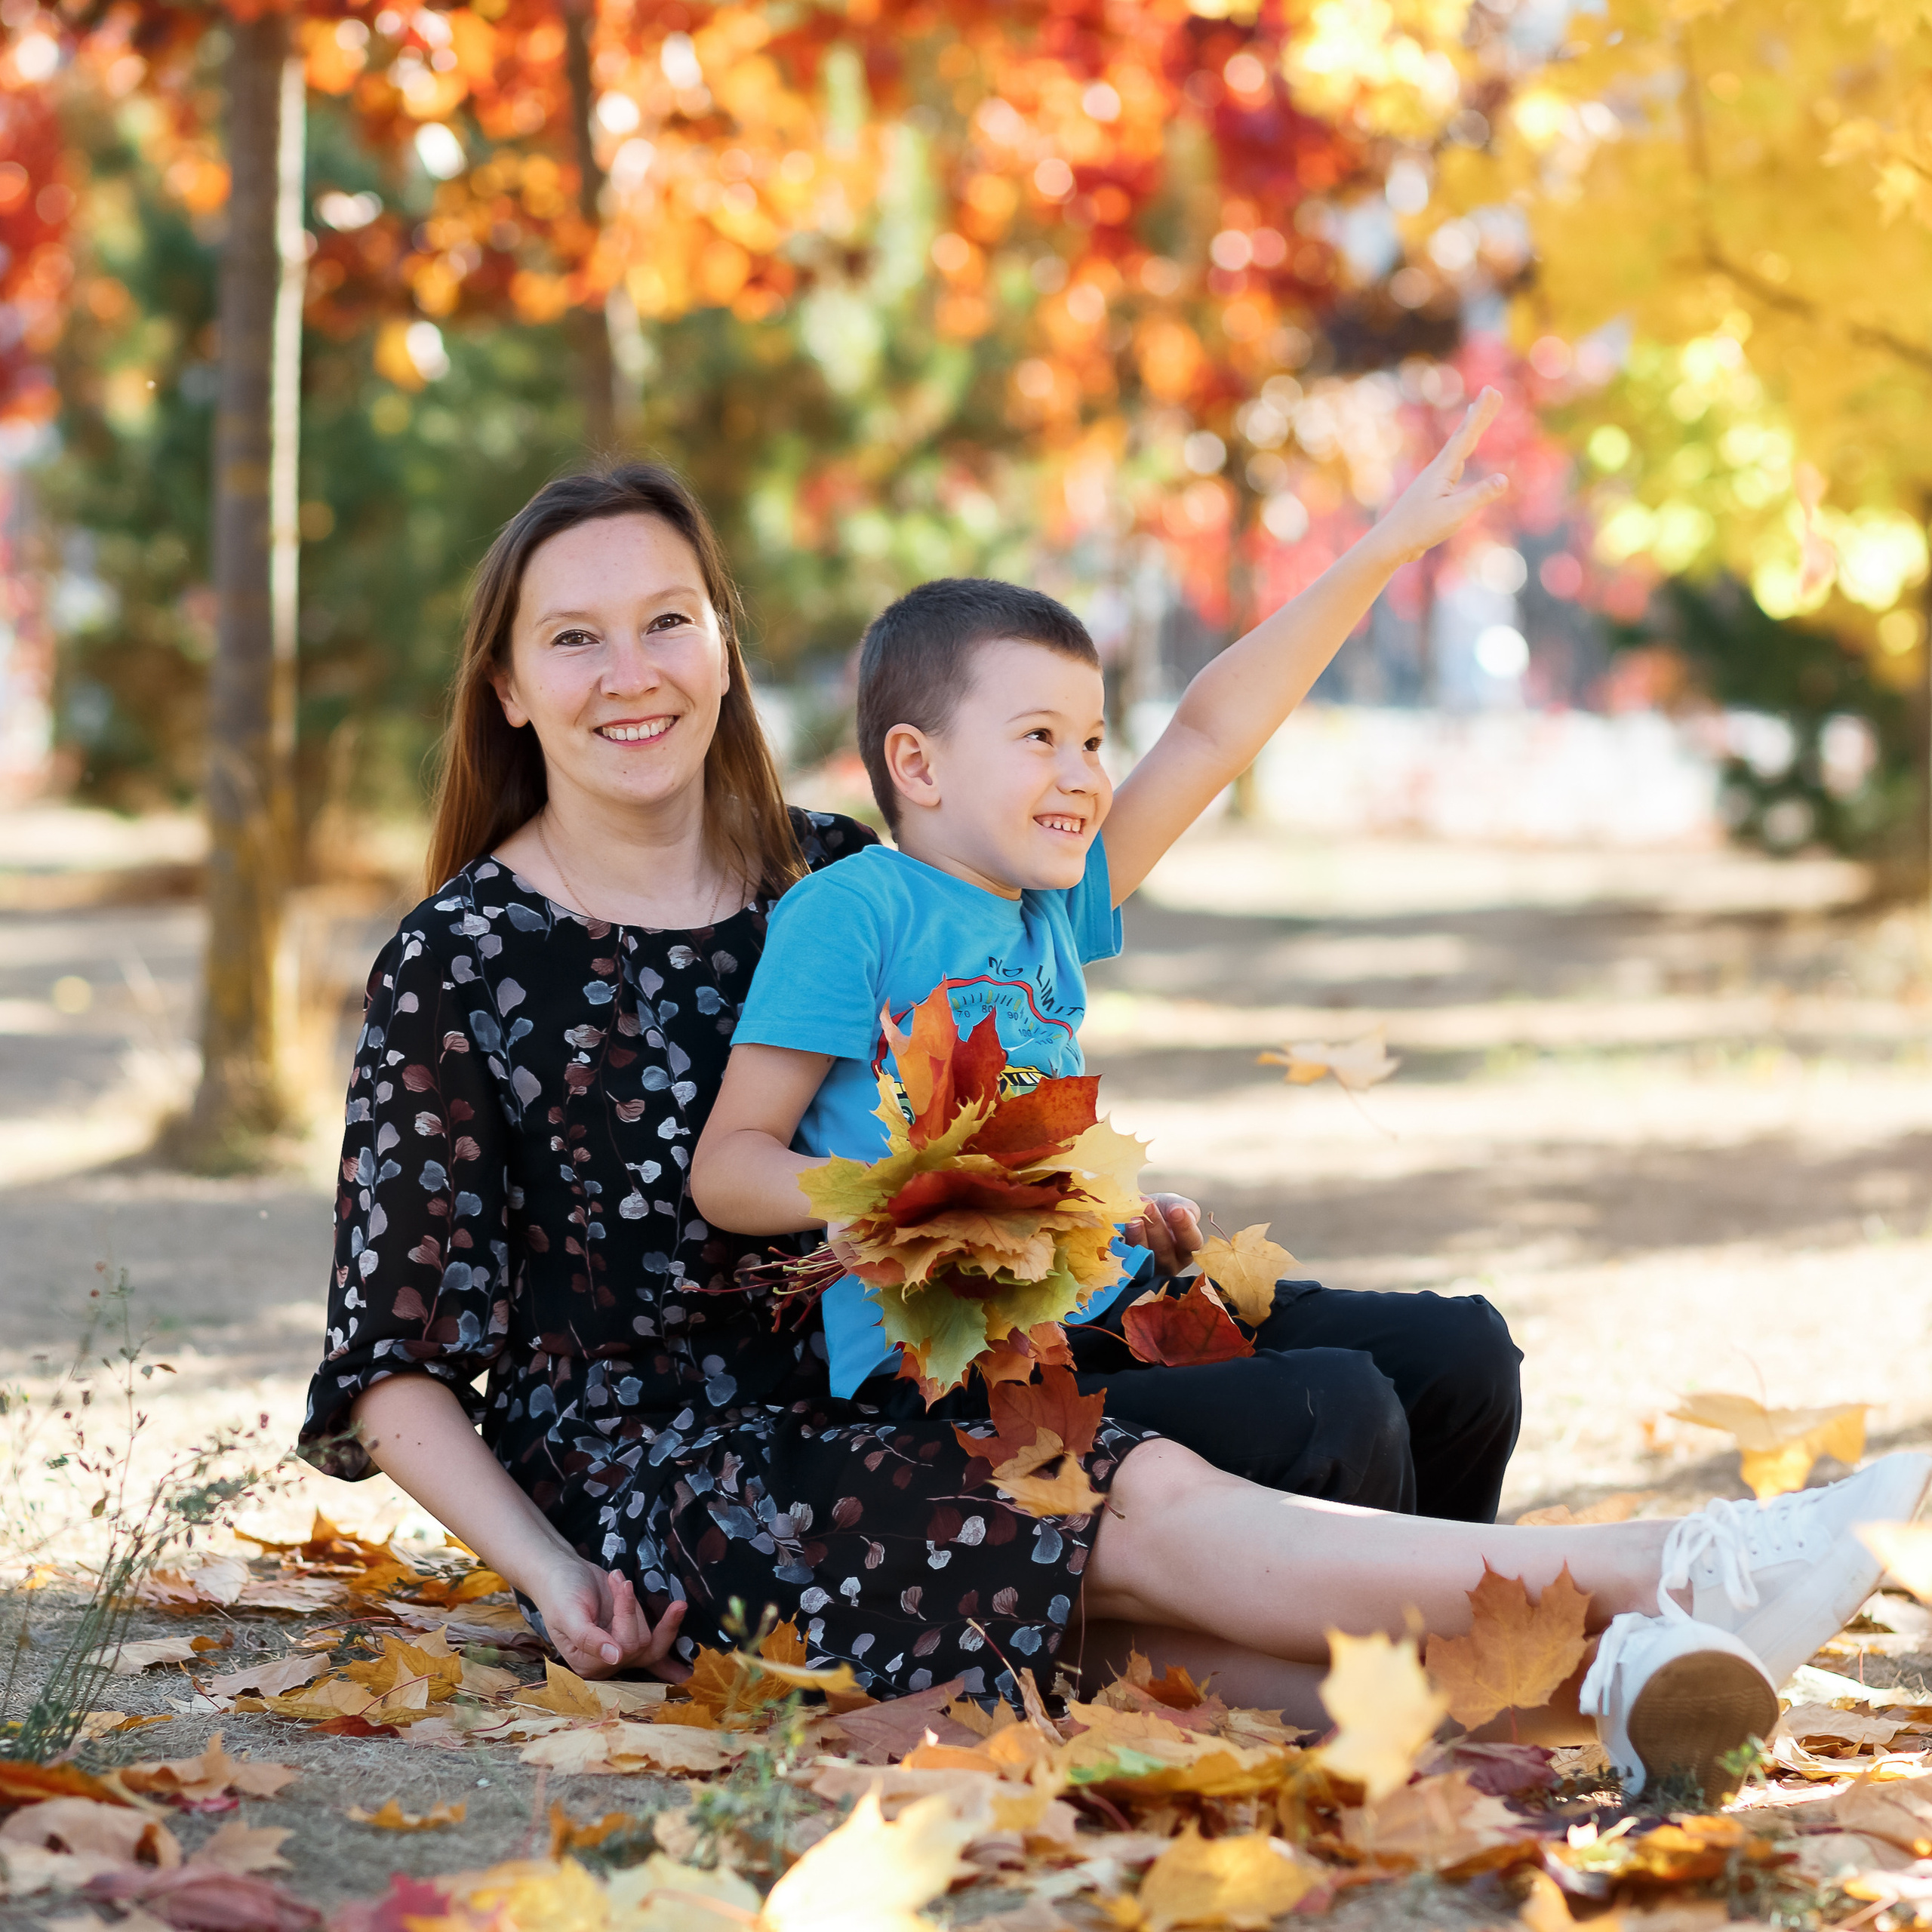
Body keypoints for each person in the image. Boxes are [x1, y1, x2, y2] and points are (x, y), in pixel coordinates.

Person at [301, 452, 1927, 1813]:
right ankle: (1687, 1568)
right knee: (1176, 1482)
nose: (631, 670)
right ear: (507, 686)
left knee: (1431, 1369)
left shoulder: (841, 865)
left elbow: (1176, 768)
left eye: (666, 618)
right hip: (685, 1464)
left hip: (965, 1340)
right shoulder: (463, 960)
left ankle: (1621, 1676)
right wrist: (548, 1573)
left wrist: (1073, 1195)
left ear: (722, 642)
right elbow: (390, 1365)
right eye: (572, 639)